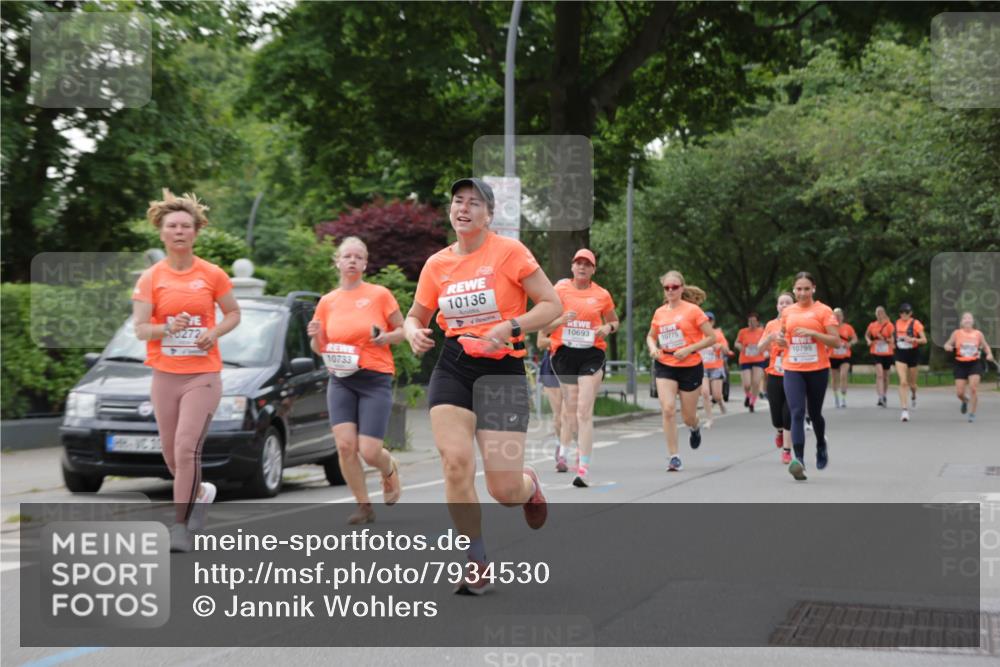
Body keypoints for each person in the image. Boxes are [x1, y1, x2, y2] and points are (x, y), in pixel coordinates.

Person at [404, 178, 562, 595]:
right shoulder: (437, 264)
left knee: (504, 491)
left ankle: (528, 485)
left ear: (489, 215)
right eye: (458, 201)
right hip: (453, 365)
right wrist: (413, 331)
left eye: (475, 203)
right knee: (455, 463)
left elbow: (552, 305)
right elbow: (415, 315)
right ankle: (475, 559)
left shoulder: (510, 252)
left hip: (502, 370)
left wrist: (510, 326)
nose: (464, 208)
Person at [132, 191, 241, 552]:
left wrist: (214, 332)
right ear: (161, 232)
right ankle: (201, 492)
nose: (179, 231)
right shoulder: (151, 277)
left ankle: (179, 526)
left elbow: (233, 313)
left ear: (196, 232)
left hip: (202, 375)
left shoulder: (212, 274)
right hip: (164, 375)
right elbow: (140, 329)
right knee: (170, 455)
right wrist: (167, 328)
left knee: (186, 449)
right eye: (172, 226)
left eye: (185, 226)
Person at [308, 236, 405, 525]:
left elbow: (403, 330)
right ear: (337, 261)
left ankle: (388, 469)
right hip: (341, 379)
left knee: (370, 451)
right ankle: (364, 506)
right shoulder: (327, 302)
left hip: (374, 377)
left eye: (358, 257)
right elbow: (320, 348)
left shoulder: (379, 295)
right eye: (347, 256)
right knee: (345, 446)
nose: (352, 260)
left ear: (365, 264)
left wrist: (385, 337)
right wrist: (315, 335)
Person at [544, 249, 618, 486]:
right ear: (572, 267)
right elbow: (545, 325)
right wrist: (561, 321)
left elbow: (614, 320)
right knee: (571, 410)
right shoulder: (559, 289)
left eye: (587, 264)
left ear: (593, 269)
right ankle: (568, 449)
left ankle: (583, 468)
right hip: (564, 354)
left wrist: (608, 328)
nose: (582, 267)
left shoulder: (602, 294)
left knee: (584, 410)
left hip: (591, 354)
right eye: (578, 263)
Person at [646, 271, 716, 472]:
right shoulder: (660, 313)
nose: (670, 291)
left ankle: (694, 427)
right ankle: (674, 456)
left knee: (688, 416)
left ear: (681, 288)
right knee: (668, 409)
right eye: (666, 287)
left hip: (689, 365)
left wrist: (688, 349)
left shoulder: (693, 311)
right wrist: (653, 348)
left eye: (674, 287)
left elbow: (711, 338)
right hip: (665, 364)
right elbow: (651, 336)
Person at [780, 272, 840, 481]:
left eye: (806, 289)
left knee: (814, 414)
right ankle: (799, 461)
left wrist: (814, 334)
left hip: (817, 369)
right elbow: (784, 335)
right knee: (796, 412)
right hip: (793, 367)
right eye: (799, 289)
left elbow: (836, 341)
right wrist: (781, 341)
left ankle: (821, 444)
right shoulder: (788, 312)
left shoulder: (823, 311)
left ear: (813, 289)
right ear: (794, 290)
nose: (803, 293)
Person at [757, 293, 795, 464]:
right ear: (777, 306)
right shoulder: (771, 325)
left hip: (794, 373)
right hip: (774, 373)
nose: (784, 305)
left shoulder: (798, 323)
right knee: (776, 416)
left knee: (788, 413)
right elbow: (759, 348)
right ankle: (779, 430)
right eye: (781, 303)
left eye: (788, 302)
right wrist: (770, 338)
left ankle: (787, 451)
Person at [943, 312, 995, 423]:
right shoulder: (956, 333)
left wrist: (989, 354)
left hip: (974, 364)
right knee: (959, 393)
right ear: (961, 322)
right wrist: (947, 347)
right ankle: (965, 400)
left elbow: (986, 346)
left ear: (973, 321)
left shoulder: (978, 334)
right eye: (965, 318)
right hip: (960, 364)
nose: (967, 320)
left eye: (969, 318)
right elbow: (947, 344)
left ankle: (972, 413)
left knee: (973, 388)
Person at [893, 303, 928, 422]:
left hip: (912, 353)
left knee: (912, 384)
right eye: (902, 312)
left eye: (906, 312)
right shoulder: (896, 323)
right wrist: (892, 343)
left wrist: (913, 339)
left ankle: (913, 395)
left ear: (911, 313)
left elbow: (924, 340)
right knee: (903, 382)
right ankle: (904, 410)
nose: (904, 315)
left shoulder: (916, 324)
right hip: (900, 354)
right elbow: (893, 337)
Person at [535, 331, 564, 462]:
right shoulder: (550, 319)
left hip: (576, 364)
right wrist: (565, 340)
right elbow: (540, 343)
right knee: (558, 414)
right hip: (552, 366)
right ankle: (560, 447)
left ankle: (579, 449)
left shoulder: (581, 318)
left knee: (572, 414)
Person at [699, 312, 730, 429]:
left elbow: (727, 350)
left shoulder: (718, 334)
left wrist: (720, 346)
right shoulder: (697, 334)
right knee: (705, 393)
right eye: (705, 320)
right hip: (702, 367)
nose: (708, 322)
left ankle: (720, 402)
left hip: (716, 367)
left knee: (716, 395)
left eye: (710, 320)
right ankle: (709, 419)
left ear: (713, 322)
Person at [735, 313, 767, 412]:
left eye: (754, 321)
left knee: (756, 382)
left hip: (758, 359)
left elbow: (767, 343)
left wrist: (764, 349)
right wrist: (740, 347)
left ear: (757, 322)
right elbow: (737, 343)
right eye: (750, 321)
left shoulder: (762, 331)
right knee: (747, 384)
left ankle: (752, 403)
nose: (751, 323)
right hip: (745, 359)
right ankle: (748, 396)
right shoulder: (742, 332)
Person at [864, 306, 895, 407]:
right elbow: (867, 335)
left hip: (887, 353)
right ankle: (880, 396)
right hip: (875, 352)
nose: (879, 314)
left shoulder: (889, 325)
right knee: (880, 374)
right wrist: (869, 341)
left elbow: (893, 340)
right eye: (877, 313)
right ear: (875, 314)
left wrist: (884, 339)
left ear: (884, 313)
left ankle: (884, 395)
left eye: (881, 312)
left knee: (886, 376)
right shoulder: (872, 325)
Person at [829, 308, 858, 408]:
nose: (837, 317)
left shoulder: (848, 327)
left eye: (839, 315)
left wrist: (850, 343)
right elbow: (825, 340)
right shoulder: (830, 328)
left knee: (843, 375)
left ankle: (843, 398)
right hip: (832, 356)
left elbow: (855, 339)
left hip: (845, 355)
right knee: (834, 378)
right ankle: (836, 396)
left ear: (842, 317)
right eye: (835, 315)